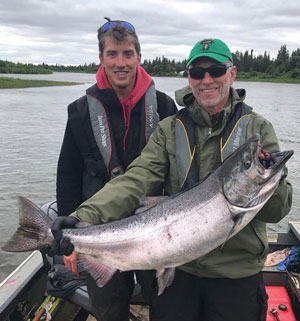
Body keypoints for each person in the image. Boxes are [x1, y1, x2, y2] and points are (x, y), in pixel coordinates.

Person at [49, 38, 293, 321]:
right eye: (197, 73)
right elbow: (136, 180)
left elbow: (279, 210)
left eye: (215, 70)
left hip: (235, 273)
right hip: (179, 271)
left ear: (232, 74)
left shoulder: (258, 128)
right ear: (189, 78)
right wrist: (82, 216)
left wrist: (267, 176)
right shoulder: (169, 128)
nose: (207, 80)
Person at [54, 18, 177, 321]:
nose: (120, 63)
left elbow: (178, 171)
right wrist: (69, 239)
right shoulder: (80, 111)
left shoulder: (165, 106)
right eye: (112, 54)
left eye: (127, 54)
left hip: (156, 230)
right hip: (99, 235)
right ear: (101, 58)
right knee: (109, 311)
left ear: (139, 57)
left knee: (167, 305)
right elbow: (68, 176)